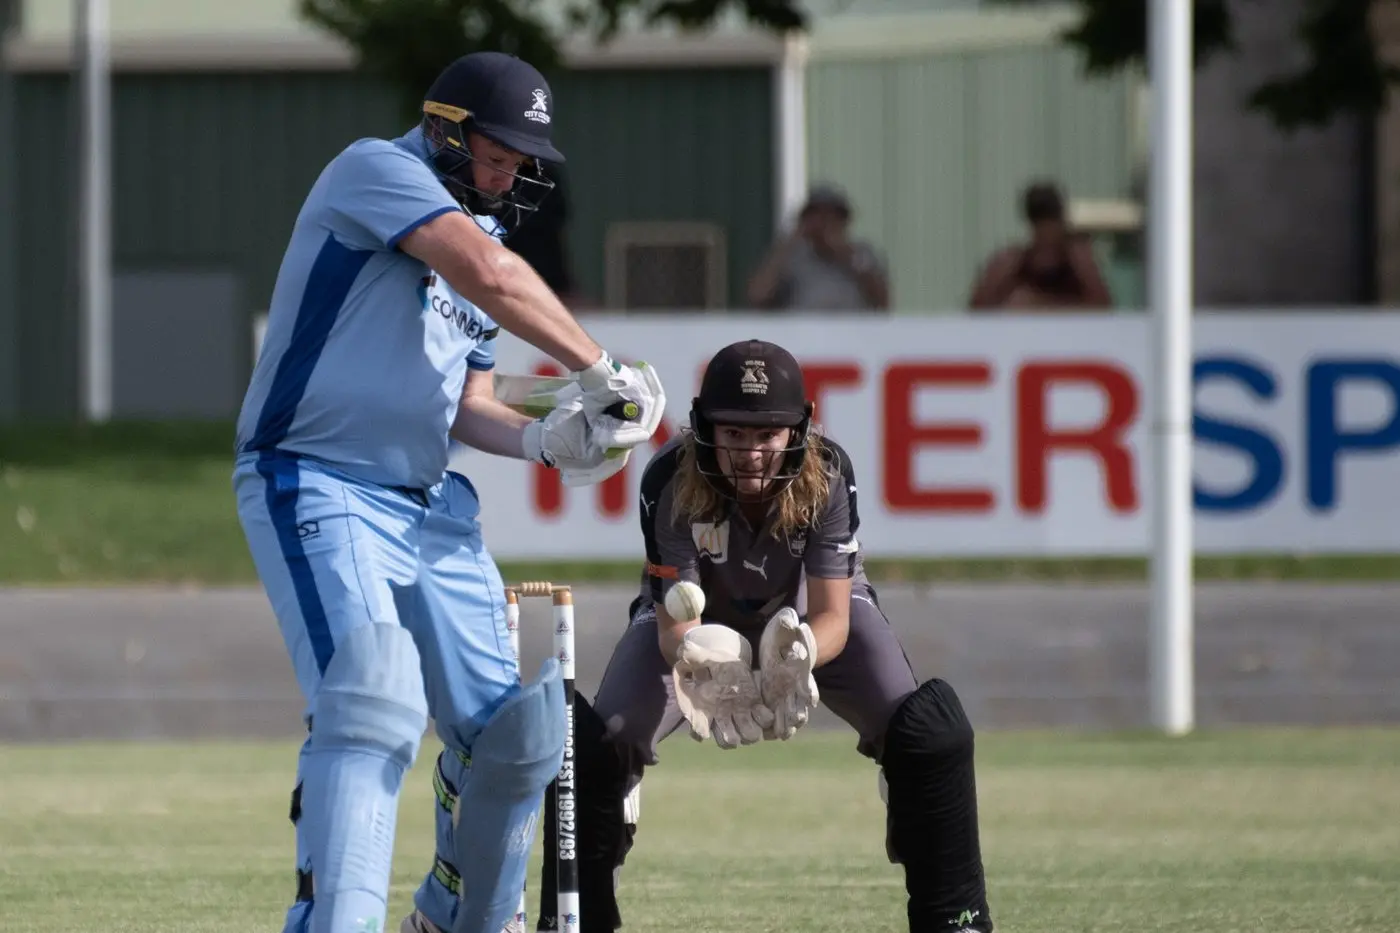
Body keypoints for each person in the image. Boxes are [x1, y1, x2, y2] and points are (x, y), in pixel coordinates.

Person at [232, 50, 666, 933]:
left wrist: (547, 438)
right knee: (372, 695)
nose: (507, 173)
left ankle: (455, 916)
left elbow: (466, 402)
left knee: (519, 734)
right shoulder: (375, 171)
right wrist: (601, 367)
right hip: (317, 478)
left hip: (427, 503)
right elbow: (490, 279)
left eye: (519, 160)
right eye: (495, 152)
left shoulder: (487, 232)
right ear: (443, 127)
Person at [530, 339, 996, 933]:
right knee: (595, 744)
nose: (751, 452)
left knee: (928, 736)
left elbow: (834, 613)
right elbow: (675, 622)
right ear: (705, 430)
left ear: (797, 431)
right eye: (734, 434)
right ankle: (577, 916)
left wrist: (796, 658)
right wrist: (701, 658)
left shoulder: (828, 475)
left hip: (807, 618)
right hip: (697, 626)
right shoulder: (669, 481)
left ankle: (957, 920)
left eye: (768, 435)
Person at [968, 180, 1113, 311]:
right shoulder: (1011, 263)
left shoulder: (1077, 263)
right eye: (1041, 225)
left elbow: (1103, 308)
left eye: (1050, 224)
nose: (1047, 233)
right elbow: (976, 310)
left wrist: (1041, 304)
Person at [746, 184, 891, 312]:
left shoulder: (863, 253)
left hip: (851, 335)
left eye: (831, 217)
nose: (824, 223)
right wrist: (790, 242)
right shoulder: (792, 256)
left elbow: (883, 302)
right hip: (803, 334)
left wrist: (846, 254)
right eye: (816, 215)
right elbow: (757, 296)